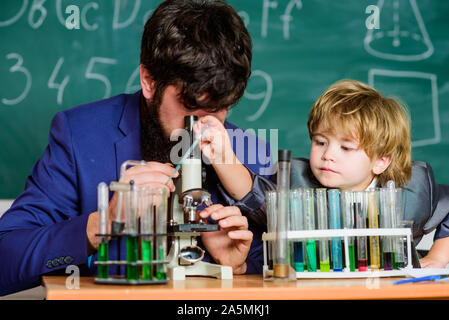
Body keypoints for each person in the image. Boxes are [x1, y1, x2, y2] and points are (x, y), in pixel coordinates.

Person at [0, 0, 274, 296]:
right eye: (191, 106)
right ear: (149, 82)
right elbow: (6, 258)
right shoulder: (79, 136)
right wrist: (102, 223)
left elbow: (283, 267)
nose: (204, 127)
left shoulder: (247, 153)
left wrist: (241, 266)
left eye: (221, 108)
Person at [275, 79, 449, 262]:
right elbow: (254, 193)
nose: (328, 155)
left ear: (381, 161)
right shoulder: (297, 182)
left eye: (346, 148)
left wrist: (439, 256)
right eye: (320, 142)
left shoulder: (413, 191)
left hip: (388, 284)